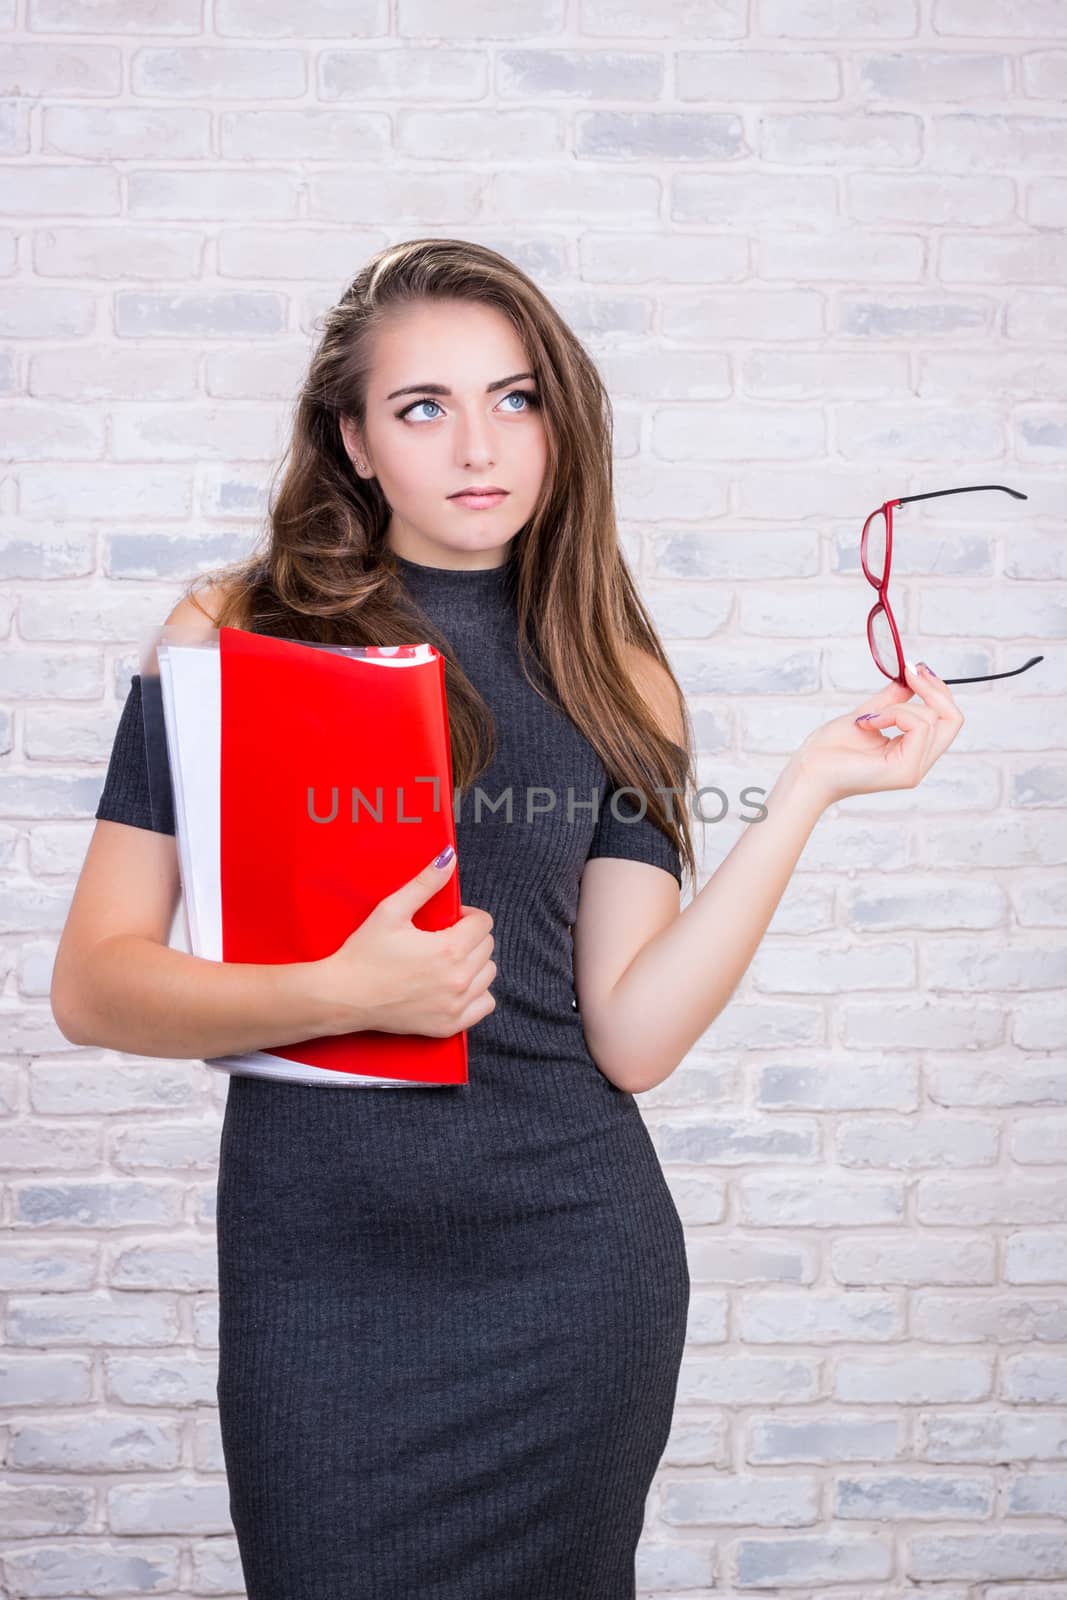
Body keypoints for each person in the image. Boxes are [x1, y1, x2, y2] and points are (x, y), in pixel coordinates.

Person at [50, 239, 964, 1600]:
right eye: (423, 408)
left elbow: (636, 1035)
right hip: (322, 1280)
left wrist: (807, 796)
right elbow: (96, 987)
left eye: (517, 398)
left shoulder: (620, 672)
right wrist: (342, 989)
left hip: (572, 1274)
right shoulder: (232, 631)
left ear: (559, 420)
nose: (479, 444)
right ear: (355, 441)